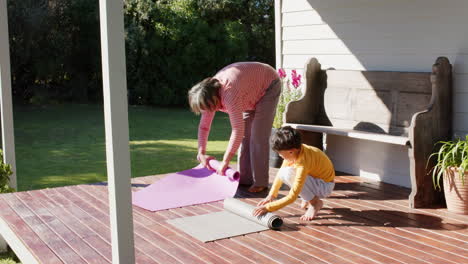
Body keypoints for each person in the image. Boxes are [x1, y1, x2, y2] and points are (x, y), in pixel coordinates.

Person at [188, 62, 280, 192]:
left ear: (213, 98)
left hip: (268, 84)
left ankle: (260, 182)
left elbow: (237, 130)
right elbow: (204, 127)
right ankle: (245, 179)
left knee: (257, 136)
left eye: (209, 107)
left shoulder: (229, 95)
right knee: (245, 138)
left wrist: (225, 162)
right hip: (250, 91)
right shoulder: (208, 96)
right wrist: (201, 152)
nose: (209, 111)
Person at [253, 126, 335, 220]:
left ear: (291, 151)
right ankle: (308, 197)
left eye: (280, 153)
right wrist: (271, 196)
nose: (279, 155)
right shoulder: (297, 150)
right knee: (285, 172)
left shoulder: (303, 162)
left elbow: (292, 197)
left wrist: (268, 207)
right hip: (316, 179)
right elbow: (280, 174)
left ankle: (315, 203)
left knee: (289, 174)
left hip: (324, 186)